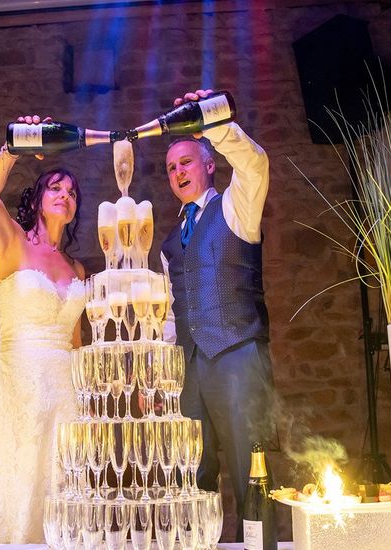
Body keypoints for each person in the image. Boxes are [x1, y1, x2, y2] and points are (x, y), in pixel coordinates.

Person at [159, 89, 278, 540]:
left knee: (254, 468)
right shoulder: (170, 243)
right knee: (191, 476)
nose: (178, 173)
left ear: (209, 164)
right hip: (189, 366)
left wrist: (213, 122)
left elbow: (254, 163)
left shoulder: (236, 206)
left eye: (186, 162)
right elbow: (173, 313)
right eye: (171, 168)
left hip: (237, 354)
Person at [0, 115, 85, 543]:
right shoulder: (13, 243)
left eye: (72, 192)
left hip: (65, 386)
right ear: (38, 197)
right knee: (21, 478)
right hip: (16, 377)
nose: (65, 195)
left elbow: (76, 342)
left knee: (63, 477)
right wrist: (13, 149)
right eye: (56, 187)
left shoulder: (77, 268)